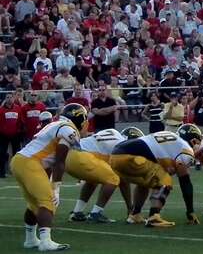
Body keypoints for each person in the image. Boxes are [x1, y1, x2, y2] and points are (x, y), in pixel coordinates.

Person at [11, 103, 88, 251]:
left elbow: (49, 160)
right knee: (48, 201)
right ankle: (46, 242)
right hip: (29, 162)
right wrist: (55, 188)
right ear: (79, 118)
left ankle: (31, 240)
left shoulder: (55, 124)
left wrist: (49, 182)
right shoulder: (68, 129)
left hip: (20, 161)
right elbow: (59, 161)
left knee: (34, 203)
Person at [110, 124, 202, 227]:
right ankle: (154, 217)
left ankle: (135, 215)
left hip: (115, 156)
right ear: (193, 140)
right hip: (133, 157)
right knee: (164, 179)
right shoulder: (185, 148)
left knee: (145, 181)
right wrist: (190, 211)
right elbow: (185, 181)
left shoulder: (170, 138)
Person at [67, 127, 142, 223]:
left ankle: (77, 213)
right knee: (113, 178)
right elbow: (123, 181)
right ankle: (96, 214)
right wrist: (130, 207)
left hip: (69, 155)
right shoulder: (123, 146)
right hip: (82, 157)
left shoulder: (113, 132)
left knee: (93, 180)